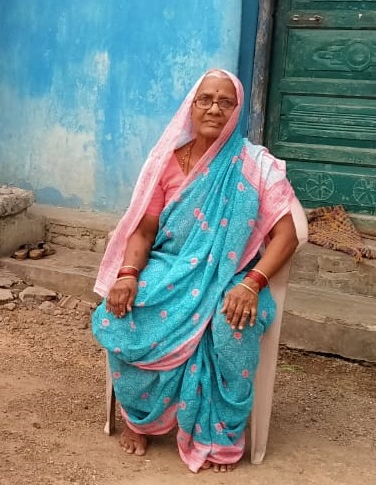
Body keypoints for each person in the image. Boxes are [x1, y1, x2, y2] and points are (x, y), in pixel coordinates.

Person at [91, 70, 299, 473]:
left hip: (234, 273)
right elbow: (146, 228)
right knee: (123, 314)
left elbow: (286, 236)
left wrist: (253, 284)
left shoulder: (255, 164)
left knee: (232, 324)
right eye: (206, 99)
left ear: (237, 111)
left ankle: (219, 435)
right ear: (192, 105)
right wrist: (128, 273)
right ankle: (141, 419)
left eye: (226, 102)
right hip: (170, 268)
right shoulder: (166, 162)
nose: (214, 108)